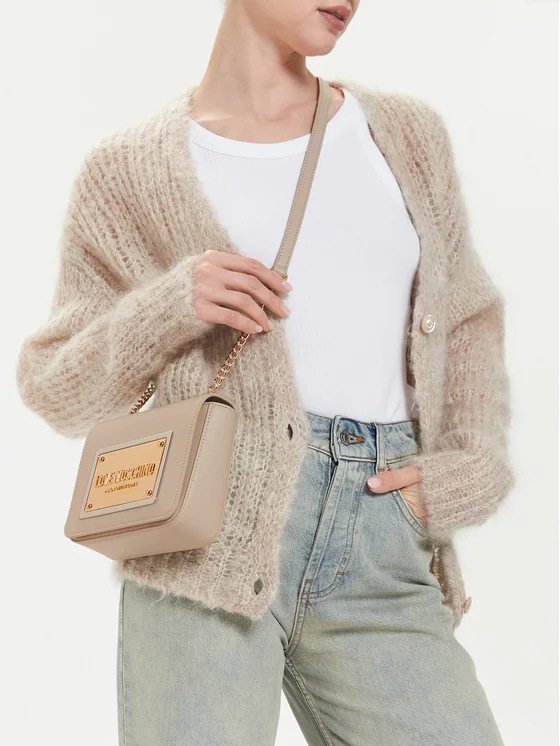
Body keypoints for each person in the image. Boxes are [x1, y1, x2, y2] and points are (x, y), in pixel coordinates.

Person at [16, 0, 515, 744]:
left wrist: (467, 469)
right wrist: (170, 305)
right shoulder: (127, 172)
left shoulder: (405, 135)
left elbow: (467, 315)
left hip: (384, 535)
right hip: (201, 546)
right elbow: (55, 384)